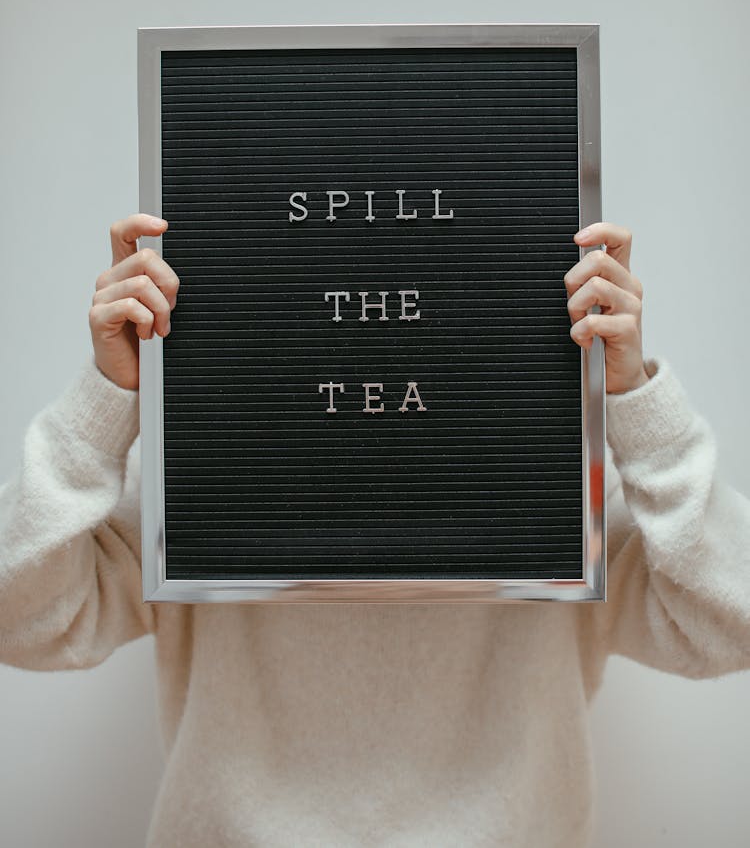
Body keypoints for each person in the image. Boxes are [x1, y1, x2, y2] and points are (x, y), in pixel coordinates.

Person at [1, 213, 749, 848]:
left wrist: (635, 401)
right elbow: (19, 616)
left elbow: (731, 620)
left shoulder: (562, 493)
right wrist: (109, 394)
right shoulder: (203, 485)